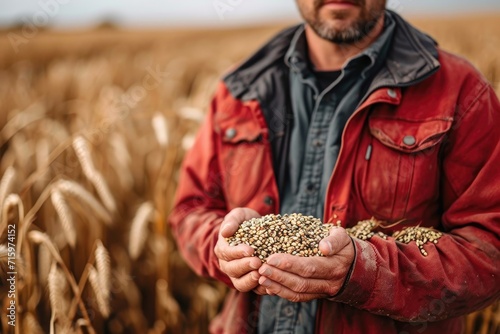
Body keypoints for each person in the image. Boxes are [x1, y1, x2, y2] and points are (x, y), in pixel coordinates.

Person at [169, 0, 500, 332]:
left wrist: (364, 271)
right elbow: (191, 209)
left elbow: (490, 249)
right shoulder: (240, 87)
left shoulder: (461, 92)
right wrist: (223, 246)